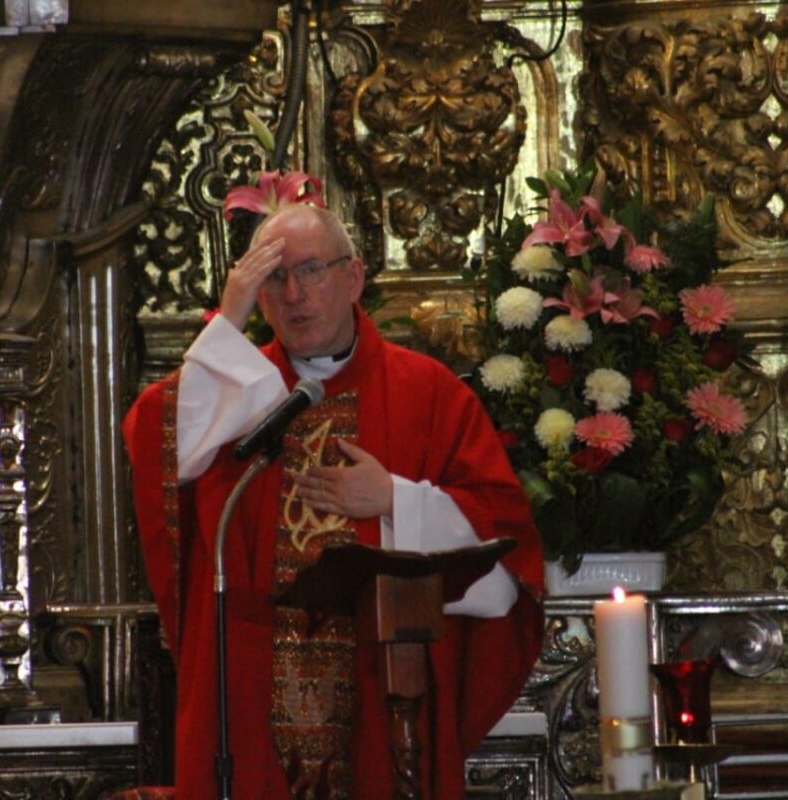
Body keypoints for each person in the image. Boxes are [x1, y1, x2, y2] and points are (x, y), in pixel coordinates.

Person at [123, 200, 543, 799]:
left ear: (354, 277)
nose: (293, 294)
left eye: (311, 270)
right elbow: (158, 450)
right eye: (272, 277)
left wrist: (395, 499)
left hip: (381, 702)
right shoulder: (230, 395)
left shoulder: (430, 394)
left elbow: (506, 560)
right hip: (251, 707)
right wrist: (229, 321)